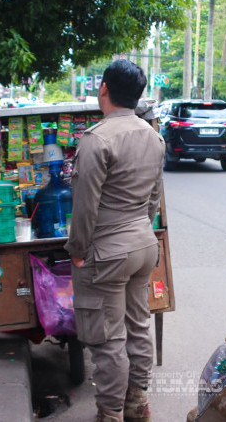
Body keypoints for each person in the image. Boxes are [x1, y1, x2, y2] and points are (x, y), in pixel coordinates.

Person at [64, 59, 164, 422]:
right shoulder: (153, 136)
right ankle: (137, 403)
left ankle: (110, 413)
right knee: (138, 325)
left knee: (107, 339)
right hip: (142, 244)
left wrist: (77, 251)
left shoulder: (98, 138)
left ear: (103, 87)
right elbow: (154, 198)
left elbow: (85, 206)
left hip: (106, 250)